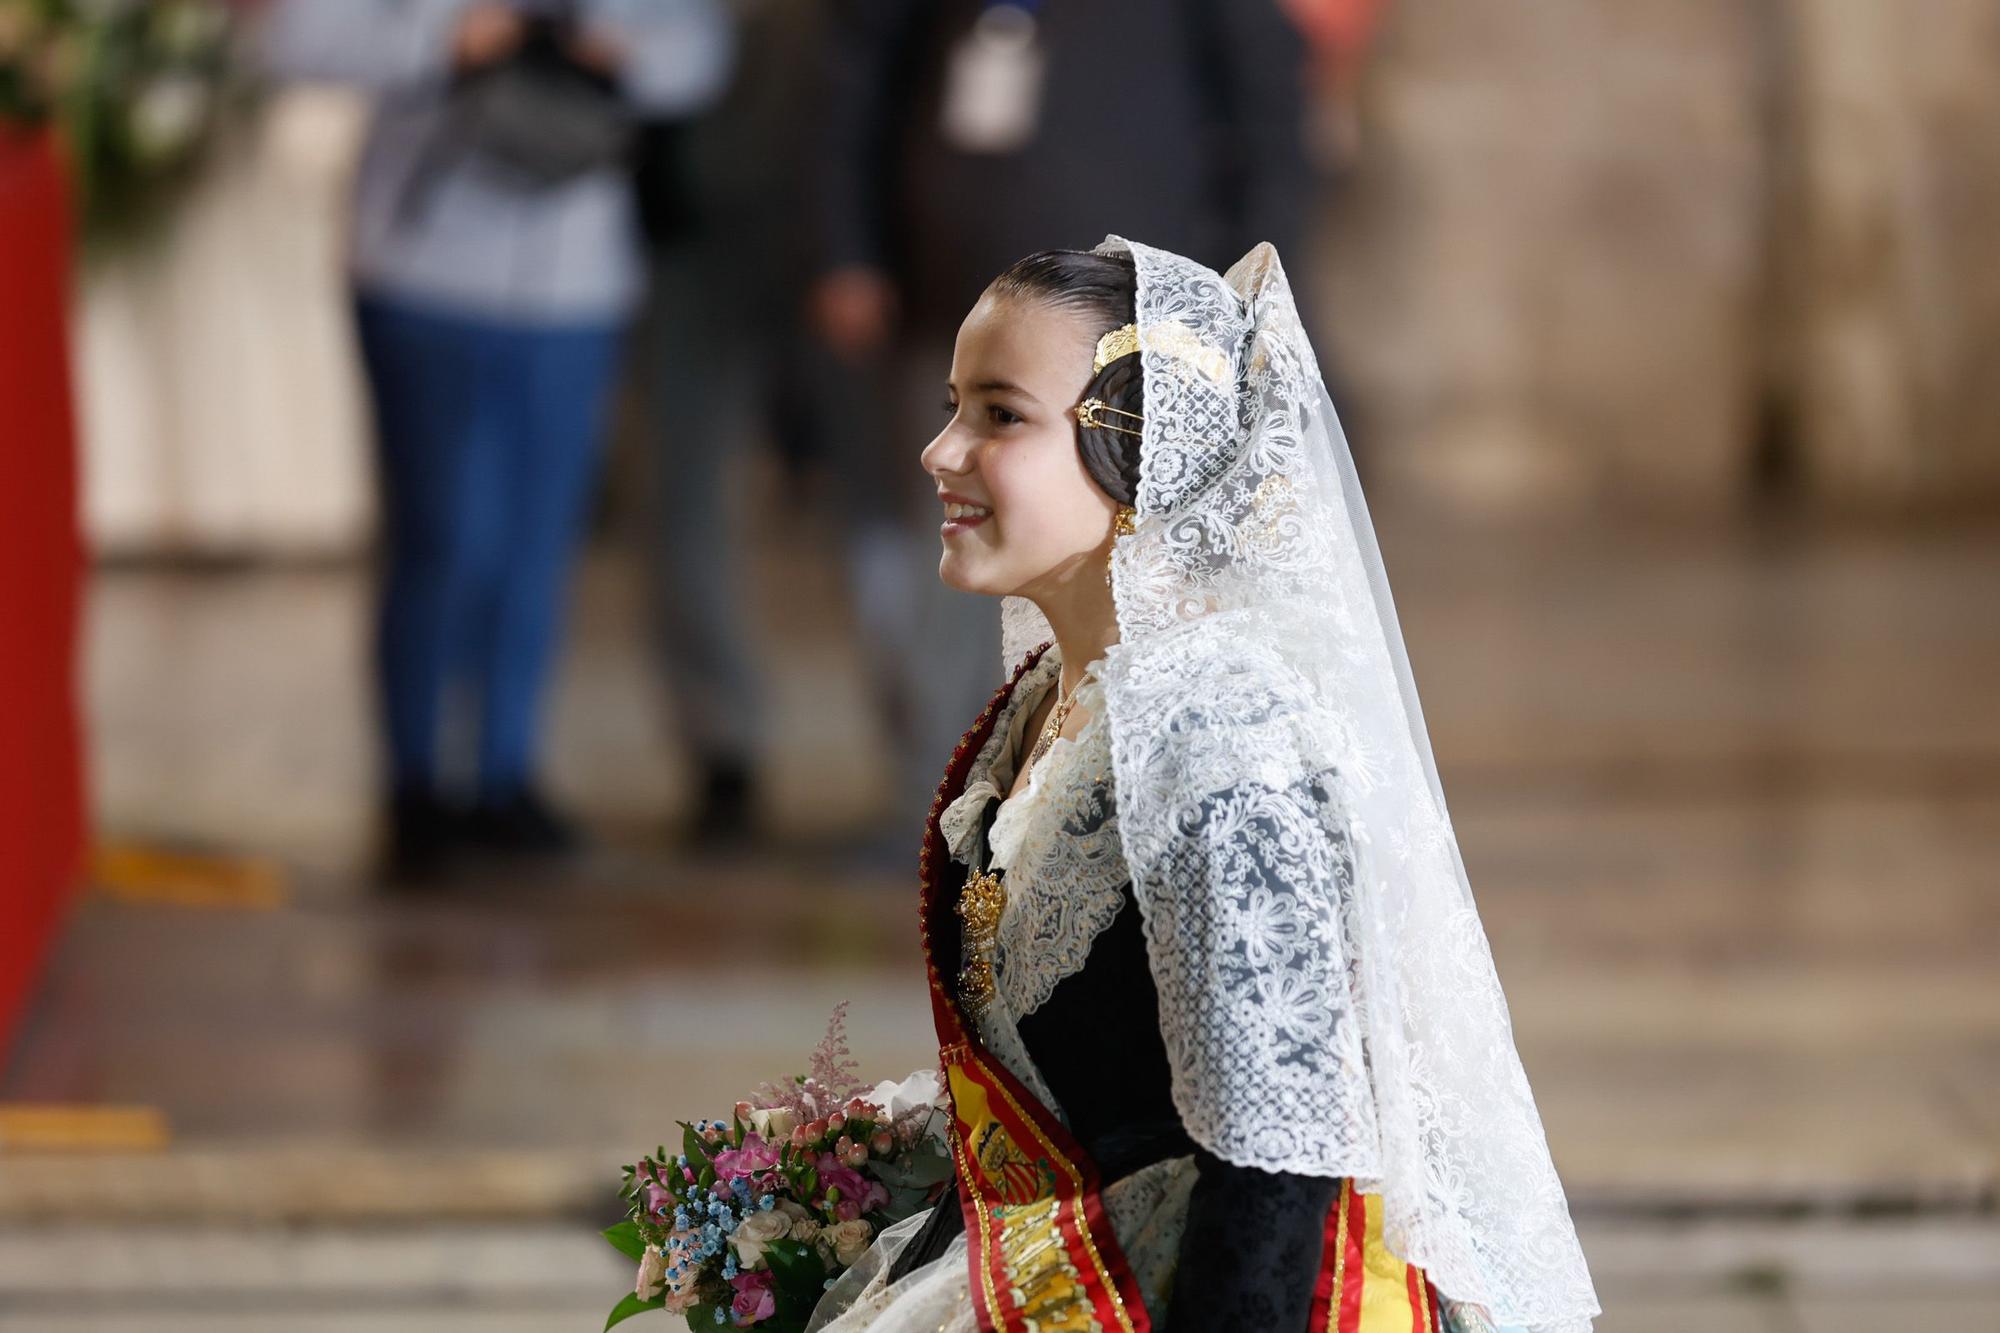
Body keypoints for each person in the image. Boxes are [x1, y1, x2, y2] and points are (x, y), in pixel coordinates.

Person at [803, 240, 1601, 1331]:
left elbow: (1283, 1167)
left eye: (999, 414)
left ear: (1143, 445)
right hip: (1070, 1263)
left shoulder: (1224, 741)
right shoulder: (1051, 698)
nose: (942, 448)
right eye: (953, 405)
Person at [807, 0, 1315, 854]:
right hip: (948, 299)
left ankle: (1099, 791)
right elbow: (854, 77)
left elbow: (1267, 100)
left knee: (1129, 559)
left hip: (1129, 335)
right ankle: (938, 798)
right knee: (944, 542)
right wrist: (843, 248)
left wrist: (1239, 287)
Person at [262, 0, 732, 880]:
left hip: (578, 280)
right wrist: (447, 38)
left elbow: (699, 51)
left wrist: (611, 52)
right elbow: (292, 40)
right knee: (445, 534)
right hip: (424, 271)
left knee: (537, 544)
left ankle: (504, 772)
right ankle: (416, 781)